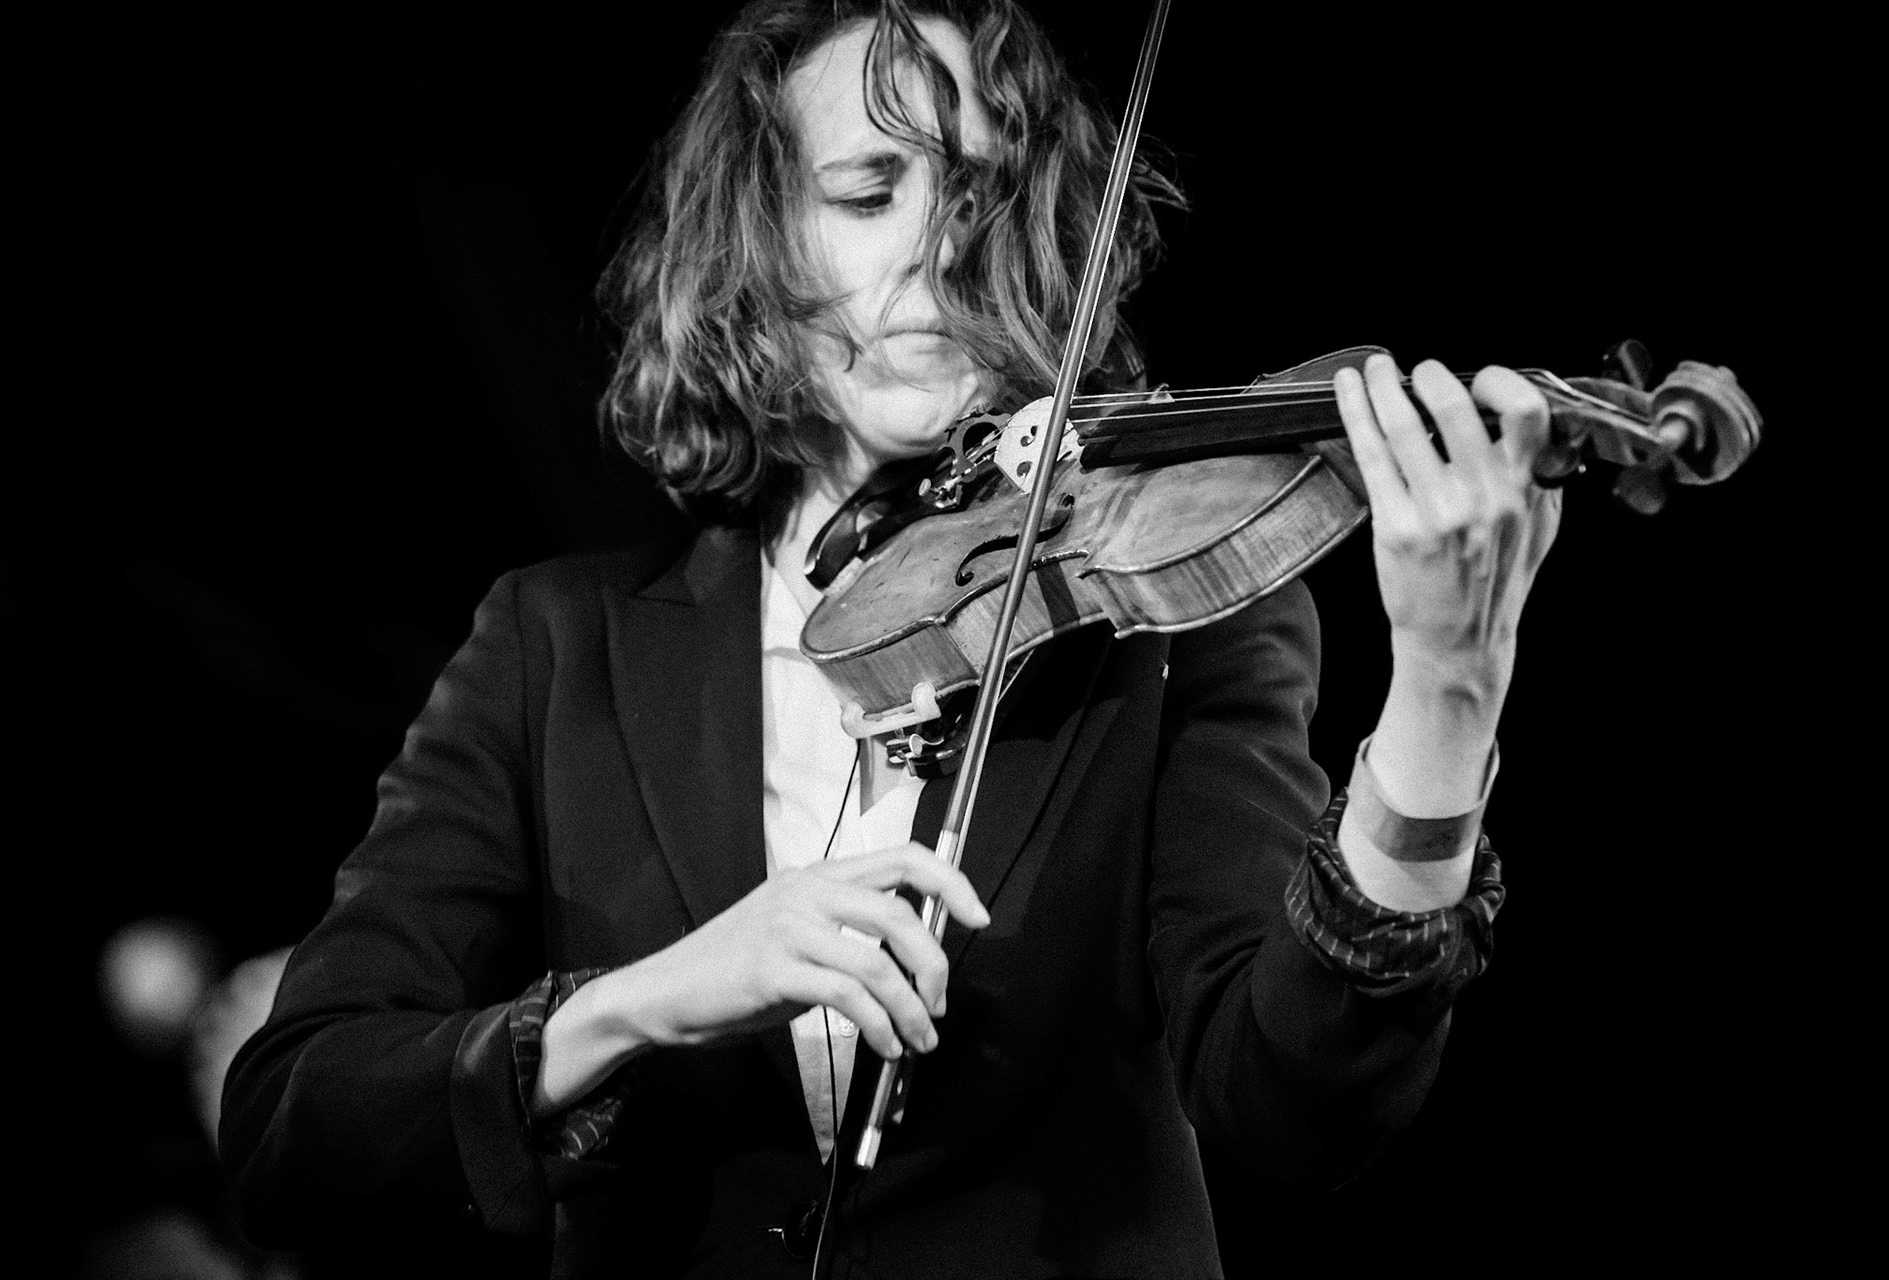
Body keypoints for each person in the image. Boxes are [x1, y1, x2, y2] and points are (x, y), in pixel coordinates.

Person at [220, 2, 1560, 1275]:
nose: (945, 248)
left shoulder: (1166, 617)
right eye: (870, 192)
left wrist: (1446, 693)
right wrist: (646, 999)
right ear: (751, 254)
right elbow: (295, 1125)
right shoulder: (556, 647)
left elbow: (1298, 1105)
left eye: (981, 199)